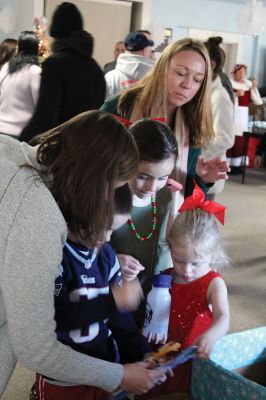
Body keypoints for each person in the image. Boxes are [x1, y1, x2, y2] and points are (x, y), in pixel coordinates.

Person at [0, 110, 166, 397]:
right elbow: (36, 349)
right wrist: (120, 376)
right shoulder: (40, 219)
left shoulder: (9, 149)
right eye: (112, 188)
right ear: (92, 180)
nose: (110, 199)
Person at [35, 184, 160, 400]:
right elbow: (55, 316)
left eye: (114, 230)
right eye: (105, 228)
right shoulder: (53, 253)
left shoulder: (106, 256)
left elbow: (119, 319)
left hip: (107, 368)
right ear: (80, 212)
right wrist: (113, 300)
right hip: (65, 378)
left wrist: (143, 352)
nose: (109, 239)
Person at [101, 37, 230, 214]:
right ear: (162, 69)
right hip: (110, 213)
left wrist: (203, 179)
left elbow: (184, 193)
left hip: (160, 223)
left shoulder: (190, 123)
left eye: (198, 80)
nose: (187, 85)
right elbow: (92, 161)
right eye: (181, 73)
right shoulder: (122, 106)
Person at [139, 183, 230, 397]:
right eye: (179, 261)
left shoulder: (213, 284)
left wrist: (210, 336)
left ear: (213, 254)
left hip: (190, 358)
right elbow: (151, 311)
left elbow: (223, 317)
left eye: (196, 263)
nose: (187, 271)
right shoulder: (166, 277)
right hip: (160, 353)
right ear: (170, 248)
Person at [111, 119, 179, 326]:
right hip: (116, 297)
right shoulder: (109, 197)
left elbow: (168, 245)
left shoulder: (168, 197)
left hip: (155, 295)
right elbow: (83, 247)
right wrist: (114, 261)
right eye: (143, 176)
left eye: (162, 178)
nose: (152, 187)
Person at [20, 2, 106, 143]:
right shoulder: (94, 67)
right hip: (88, 146)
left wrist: (22, 142)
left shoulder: (55, 65)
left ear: (55, 29)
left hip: (60, 147)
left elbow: (45, 116)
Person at [202, 37, 235, 200]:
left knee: (199, 223)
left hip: (209, 170)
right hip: (198, 169)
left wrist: (196, 143)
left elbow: (225, 139)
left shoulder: (219, 97)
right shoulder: (204, 91)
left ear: (212, 65)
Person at [0, 31, 41, 138]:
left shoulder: (6, 67)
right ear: (36, 49)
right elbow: (40, 105)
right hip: (20, 134)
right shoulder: (35, 71)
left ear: (19, 48)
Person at [104, 31, 154, 99]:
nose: (150, 52)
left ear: (126, 48)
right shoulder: (155, 79)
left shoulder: (110, 77)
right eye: (149, 49)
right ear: (144, 51)